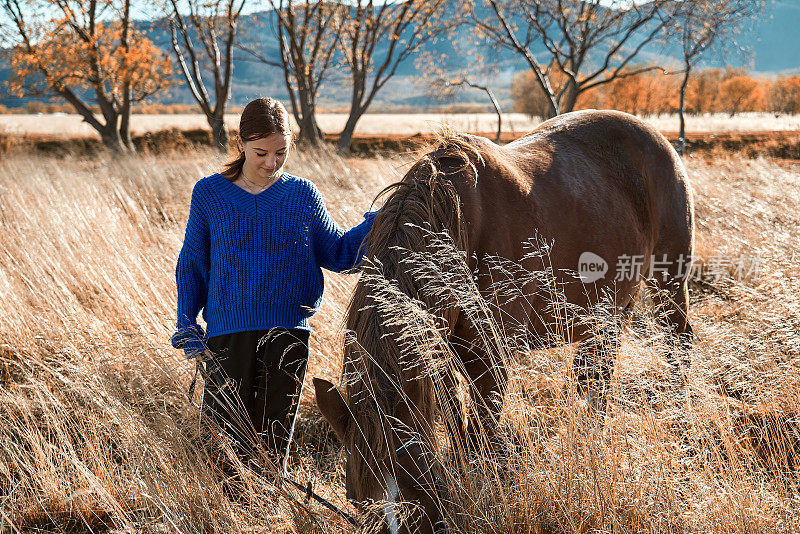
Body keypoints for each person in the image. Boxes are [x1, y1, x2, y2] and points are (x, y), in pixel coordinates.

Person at [171, 97, 377, 476]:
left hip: (288, 334)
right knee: (223, 442)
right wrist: (186, 322)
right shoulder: (209, 194)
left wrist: (378, 223)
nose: (271, 163)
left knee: (273, 440)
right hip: (227, 335)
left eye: (281, 152)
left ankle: (266, 511)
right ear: (240, 145)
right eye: (260, 152)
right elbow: (193, 262)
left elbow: (339, 254)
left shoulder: (302, 194)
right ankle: (224, 519)